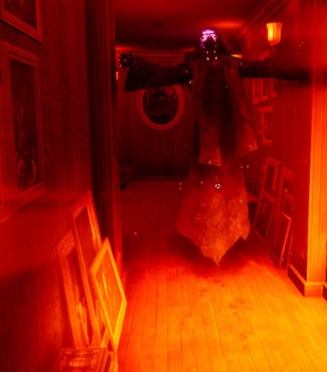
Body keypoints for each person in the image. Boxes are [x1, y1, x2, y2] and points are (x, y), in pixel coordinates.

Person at [119, 27, 306, 263]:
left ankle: (221, 241)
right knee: (206, 191)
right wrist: (136, 63)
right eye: (204, 39)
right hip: (206, 138)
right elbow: (165, 74)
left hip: (228, 136)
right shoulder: (194, 68)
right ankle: (208, 242)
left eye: (212, 38)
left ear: (218, 43)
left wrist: (297, 59)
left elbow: (262, 68)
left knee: (225, 190)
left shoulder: (231, 66)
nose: (209, 43)